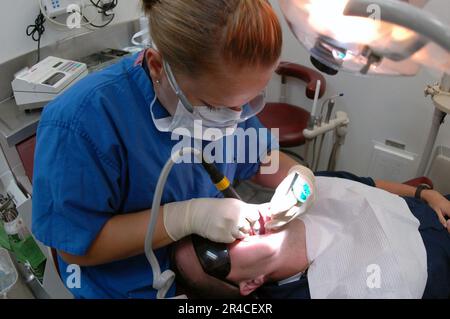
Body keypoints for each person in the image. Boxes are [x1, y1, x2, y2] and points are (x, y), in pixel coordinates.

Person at [31, 0, 314, 298]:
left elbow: (258, 157)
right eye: (215, 107)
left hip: (198, 274)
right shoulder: (81, 122)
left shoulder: (227, 94)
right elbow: (76, 248)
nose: (234, 118)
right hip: (130, 287)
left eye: (248, 101)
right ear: (156, 66)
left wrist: (297, 176)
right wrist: (183, 217)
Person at [172, 172, 450, 299]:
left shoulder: (306, 188)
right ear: (249, 284)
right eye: (213, 251)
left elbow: (371, 184)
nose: (225, 230)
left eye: (211, 219)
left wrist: (425, 193)